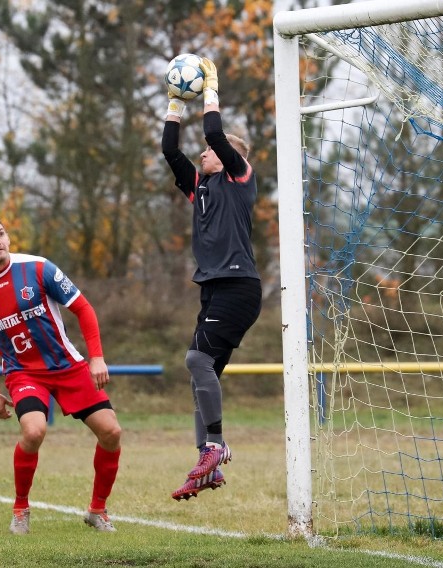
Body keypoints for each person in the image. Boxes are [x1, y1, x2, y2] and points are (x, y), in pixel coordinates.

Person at [0, 216, 122, 534]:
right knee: (33, 432)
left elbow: (83, 308)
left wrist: (97, 357)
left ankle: (97, 510)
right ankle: (21, 508)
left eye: (1, 234)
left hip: (67, 366)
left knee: (112, 433)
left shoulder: (39, 268)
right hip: (23, 373)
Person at [161, 58, 262, 500]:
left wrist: (211, 90)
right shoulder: (198, 187)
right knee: (201, 375)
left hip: (239, 287)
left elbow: (216, 135)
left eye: (210, 151)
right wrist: (173, 104)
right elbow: (169, 151)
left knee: (196, 361)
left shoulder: (239, 178)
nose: (203, 153)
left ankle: (215, 447)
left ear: (229, 158)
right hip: (215, 288)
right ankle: (210, 463)